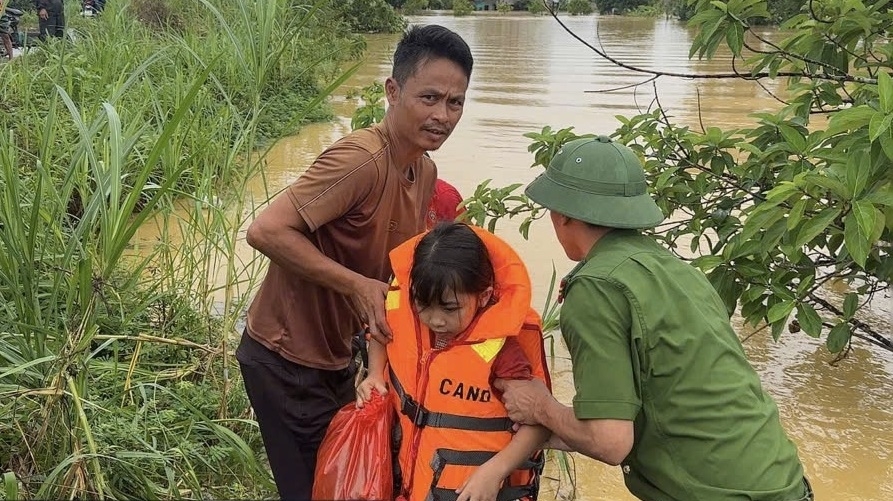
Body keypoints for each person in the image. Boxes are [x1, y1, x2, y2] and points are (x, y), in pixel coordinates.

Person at [495, 136, 813, 501]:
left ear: (562, 212)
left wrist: (540, 406)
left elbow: (609, 441)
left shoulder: (596, 288)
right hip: (785, 484)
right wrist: (562, 428)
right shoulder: (678, 270)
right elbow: (678, 395)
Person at [236, 24, 473, 500]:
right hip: (286, 360)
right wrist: (355, 286)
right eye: (429, 97)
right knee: (314, 489)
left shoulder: (423, 171)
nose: (442, 115)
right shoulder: (360, 160)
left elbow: (397, 276)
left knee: (347, 482)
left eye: (455, 102)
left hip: (337, 358)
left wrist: (378, 366)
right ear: (392, 91)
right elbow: (265, 230)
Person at [356, 222, 551, 501]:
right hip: (410, 483)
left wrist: (495, 471)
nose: (436, 320)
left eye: (450, 308)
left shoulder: (503, 352)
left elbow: (540, 422)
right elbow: (382, 332)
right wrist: (374, 373)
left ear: (483, 296)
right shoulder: (405, 312)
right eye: (423, 305)